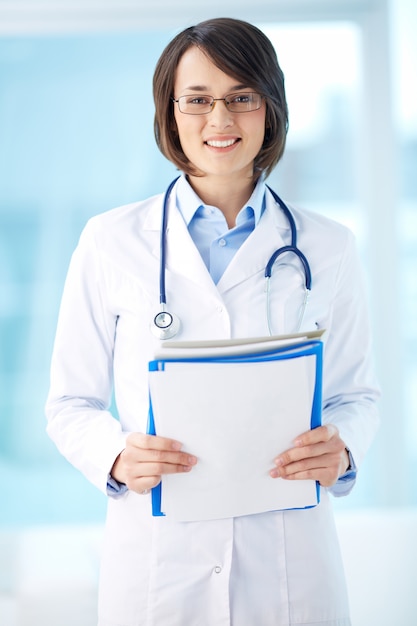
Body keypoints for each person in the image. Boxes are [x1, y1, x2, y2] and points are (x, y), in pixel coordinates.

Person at [46, 17, 380, 626]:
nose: (219, 121)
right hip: (158, 566)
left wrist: (344, 449)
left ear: (270, 109)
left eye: (241, 98)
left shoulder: (329, 247)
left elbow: (357, 395)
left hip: (288, 566)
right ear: (170, 113)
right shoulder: (111, 241)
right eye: (197, 100)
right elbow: (69, 401)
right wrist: (117, 456)